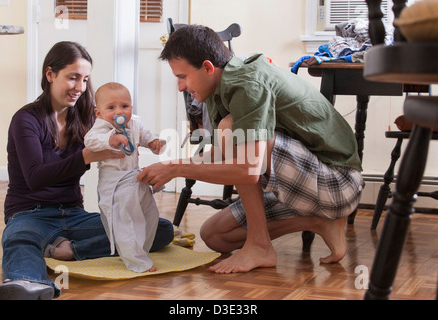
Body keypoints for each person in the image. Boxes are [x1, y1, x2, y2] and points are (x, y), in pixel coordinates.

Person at [137, 25, 364, 274]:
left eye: (182, 77)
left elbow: (247, 169)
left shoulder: (247, 82)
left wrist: (176, 168)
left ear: (207, 67)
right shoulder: (217, 89)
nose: (180, 87)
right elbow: (224, 154)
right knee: (215, 236)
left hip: (339, 185)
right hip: (305, 186)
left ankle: (259, 245)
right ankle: (319, 222)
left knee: (230, 131)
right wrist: (168, 166)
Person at [0, 42, 173, 300]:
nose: (80, 87)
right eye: (73, 78)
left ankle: (69, 251)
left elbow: (130, 131)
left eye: (85, 79)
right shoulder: (26, 119)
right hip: (30, 213)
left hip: (74, 214)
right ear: (50, 74)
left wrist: (148, 145)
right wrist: (85, 156)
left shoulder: (90, 118)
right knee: (20, 241)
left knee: (160, 229)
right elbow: (35, 178)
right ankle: (28, 282)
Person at [84, 82, 165, 273]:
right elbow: (90, 140)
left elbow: (145, 136)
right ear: (99, 113)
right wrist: (109, 140)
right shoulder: (101, 128)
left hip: (136, 179)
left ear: (131, 108)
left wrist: (153, 142)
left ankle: (140, 252)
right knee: (125, 221)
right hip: (115, 185)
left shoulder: (134, 123)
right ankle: (135, 261)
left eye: (124, 106)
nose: (118, 111)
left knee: (149, 215)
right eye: (111, 108)